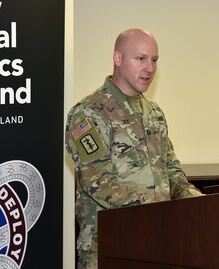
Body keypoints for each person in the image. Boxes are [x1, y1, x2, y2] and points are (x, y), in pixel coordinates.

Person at [65, 28, 203, 269]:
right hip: (109, 246)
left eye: (154, 60)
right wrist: (154, 207)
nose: (149, 68)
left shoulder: (154, 112)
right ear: (118, 59)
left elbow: (170, 169)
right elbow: (96, 180)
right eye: (140, 59)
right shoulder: (88, 113)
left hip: (156, 243)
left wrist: (194, 200)